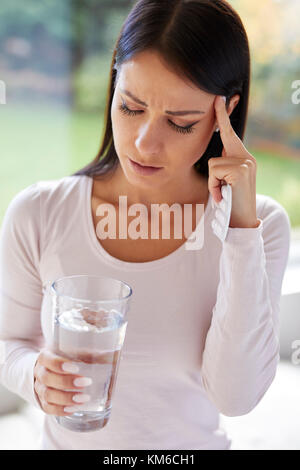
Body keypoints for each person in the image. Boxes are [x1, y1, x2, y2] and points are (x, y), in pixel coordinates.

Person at [0, 0, 291, 450]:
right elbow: (9, 343)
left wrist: (238, 229)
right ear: (113, 82)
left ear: (224, 113)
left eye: (179, 123)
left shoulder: (259, 225)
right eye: (131, 107)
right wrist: (32, 375)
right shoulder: (38, 213)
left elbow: (236, 397)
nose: (143, 143)